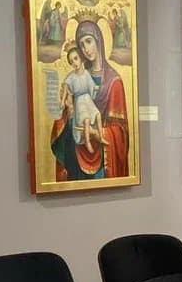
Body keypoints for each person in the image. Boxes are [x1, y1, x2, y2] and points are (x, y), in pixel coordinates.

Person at [49, 18, 129, 181]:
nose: (86, 49)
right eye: (82, 44)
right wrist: (68, 110)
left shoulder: (113, 82)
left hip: (101, 161)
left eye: (88, 41)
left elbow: (121, 133)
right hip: (76, 151)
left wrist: (96, 133)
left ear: (98, 41)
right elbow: (65, 120)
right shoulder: (76, 77)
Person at [61, 42, 102, 153]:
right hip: (79, 102)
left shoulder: (87, 74)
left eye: (76, 59)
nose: (74, 63)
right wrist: (62, 101)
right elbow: (66, 87)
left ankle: (101, 137)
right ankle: (87, 142)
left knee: (98, 115)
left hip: (88, 100)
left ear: (81, 59)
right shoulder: (71, 77)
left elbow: (91, 86)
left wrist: (95, 88)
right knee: (86, 120)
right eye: (71, 62)